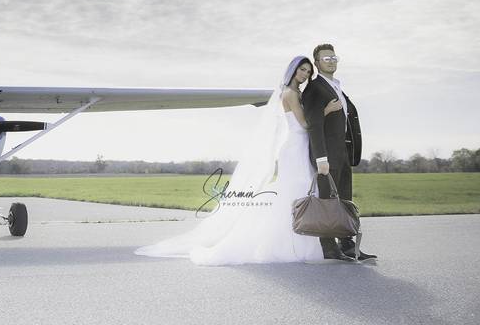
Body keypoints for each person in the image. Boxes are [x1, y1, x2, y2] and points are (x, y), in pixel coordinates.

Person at [134, 56, 337, 265]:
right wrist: (326, 111)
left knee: (300, 192)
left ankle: (300, 242)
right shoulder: (290, 94)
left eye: (308, 71)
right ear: (293, 71)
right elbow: (304, 124)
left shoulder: (297, 92)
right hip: (295, 146)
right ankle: (287, 244)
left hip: (299, 146)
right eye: (302, 70)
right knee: (297, 191)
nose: (305, 74)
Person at [302, 43, 377, 261]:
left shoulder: (336, 87)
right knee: (327, 201)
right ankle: (329, 248)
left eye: (334, 57)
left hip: (342, 152)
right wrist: (321, 158)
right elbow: (313, 123)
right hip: (326, 155)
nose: (331, 60)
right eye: (326, 58)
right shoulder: (314, 88)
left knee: (345, 199)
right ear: (316, 63)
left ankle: (347, 244)